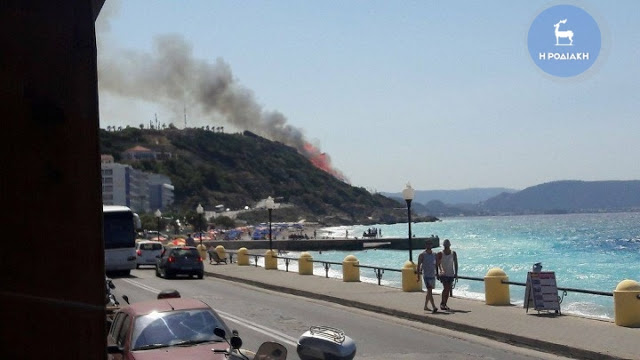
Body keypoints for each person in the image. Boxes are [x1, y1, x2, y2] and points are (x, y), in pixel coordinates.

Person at [436, 239, 458, 311]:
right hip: (443, 274)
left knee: (448, 289)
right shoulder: (440, 253)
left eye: (447, 246)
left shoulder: (453, 253)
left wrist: (456, 273)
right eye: (445, 246)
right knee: (446, 288)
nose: (446, 247)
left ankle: (445, 303)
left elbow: (456, 264)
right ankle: (442, 303)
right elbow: (437, 264)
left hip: (451, 273)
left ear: (449, 245)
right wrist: (438, 273)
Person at [417, 241, 438, 313]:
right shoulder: (422, 255)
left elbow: (436, 265)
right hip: (426, 275)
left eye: (430, 244)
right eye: (427, 244)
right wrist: (418, 276)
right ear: (425, 245)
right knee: (429, 291)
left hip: (432, 275)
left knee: (429, 291)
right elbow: (419, 265)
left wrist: (437, 273)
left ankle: (425, 306)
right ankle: (434, 307)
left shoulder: (434, 254)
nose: (429, 245)